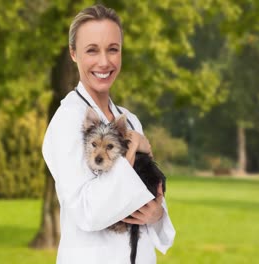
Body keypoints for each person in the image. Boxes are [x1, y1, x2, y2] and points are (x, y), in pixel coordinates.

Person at [42, 4, 175, 264]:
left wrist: (157, 214)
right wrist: (134, 151)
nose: (104, 62)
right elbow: (87, 212)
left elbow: (153, 198)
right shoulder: (67, 121)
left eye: (112, 49)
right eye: (92, 50)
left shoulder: (130, 120)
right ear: (73, 54)